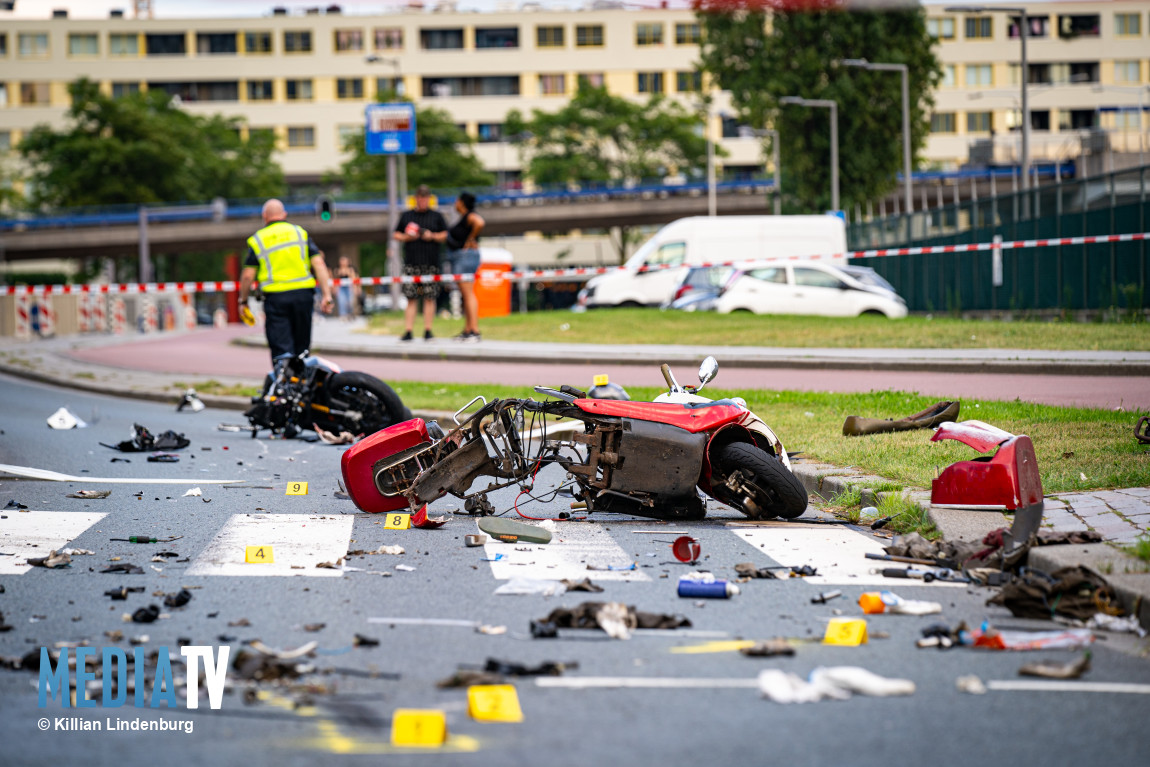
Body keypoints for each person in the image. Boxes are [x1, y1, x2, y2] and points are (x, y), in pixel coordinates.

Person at [238, 198, 334, 365]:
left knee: (281, 349)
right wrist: (327, 295)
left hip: (276, 299)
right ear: (284, 214)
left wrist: (243, 301)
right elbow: (319, 264)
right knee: (302, 348)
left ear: (264, 216)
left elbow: (247, 276)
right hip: (303, 296)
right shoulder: (300, 233)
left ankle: (284, 385)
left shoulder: (259, 239)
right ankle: (302, 385)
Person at [393, 184, 447, 341]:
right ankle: (408, 330)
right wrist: (407, 237)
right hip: (412, 263)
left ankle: (428, 330)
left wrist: (432, 236)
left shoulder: (437, 216)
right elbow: (396, 234)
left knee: (430, 297)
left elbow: (445, 235)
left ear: (429, 199)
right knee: (411, 298)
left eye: (425, 197)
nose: (422, 200)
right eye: (420, 197)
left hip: (431, 262)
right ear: (416, 198)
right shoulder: (407, 216)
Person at [445, 192, 485, 341]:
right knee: (465, 294)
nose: (455, 203)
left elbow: (480, 222)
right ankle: (468, 329)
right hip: (463, 257)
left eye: (457, 201)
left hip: (465, 257)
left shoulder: (470, 215)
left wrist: (470, 239)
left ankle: (474, 330)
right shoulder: (464, 217)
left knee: (468, 293)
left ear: (462, 203)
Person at [333, 255, 361, 320]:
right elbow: (335, 280)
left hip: (349, 287)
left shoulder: (351, 269)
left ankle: (351, 314)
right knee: (341, 301)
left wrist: (357, 288)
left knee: (350, 301)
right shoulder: (337, 270)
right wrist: (334, 288)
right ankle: (343, 315)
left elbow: (355, 279)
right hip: (341, 287)